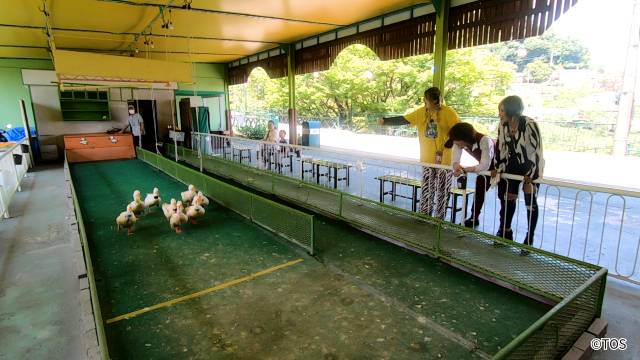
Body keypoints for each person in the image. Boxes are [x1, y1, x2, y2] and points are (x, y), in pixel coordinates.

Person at [378, 87, 460, 219]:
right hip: (427, 159)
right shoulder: (422, 112)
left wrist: (448, 142)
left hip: (444, 162)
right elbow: (405, 119)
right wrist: (386, 121)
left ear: (434, 100)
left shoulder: (449, 112)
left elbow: (458, 130)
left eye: (428, 101)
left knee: (442, 191)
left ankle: (440, 218)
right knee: (427, 188)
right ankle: (424, 215)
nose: (426, 103)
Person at [491, 96, 544, 251]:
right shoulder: (503, 125)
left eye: (501, 110)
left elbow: (537, 151)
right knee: (508, 199)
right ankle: (505, 231)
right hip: (512, 164)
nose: (499, 114)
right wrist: (497, 167)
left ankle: (529, 237)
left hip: (530, 165)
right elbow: (500, 148)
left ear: (510, 110)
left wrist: (532, 174)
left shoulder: (529, 124)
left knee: (530, 202)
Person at [444, 122, 495, 228]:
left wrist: (465, 170)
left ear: (465, 137)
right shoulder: (462, 143)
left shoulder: (484, 140)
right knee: (479, 193)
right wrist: (456, 166)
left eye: (458, 143)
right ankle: (474, 218)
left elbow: (485, 165)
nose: (457, 145)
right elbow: (456, 158)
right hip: (484, 171)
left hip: (500, 169)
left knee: (505, 199)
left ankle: (504, 229)